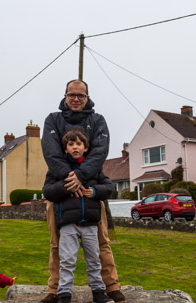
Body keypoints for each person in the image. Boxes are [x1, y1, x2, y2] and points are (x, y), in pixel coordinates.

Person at [41, 79, 125, 303]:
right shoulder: (53, 120)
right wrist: (72, 179)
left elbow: (100, 152)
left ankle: (110, 287)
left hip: (90, 193)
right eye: (71, 95)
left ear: (87, 97)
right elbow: (51, 154)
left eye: (81, 95)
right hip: (61, 194)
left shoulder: (97, 120)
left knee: (102, 244)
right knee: (57, 245)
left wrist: (81, 176)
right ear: (65, 96)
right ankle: (55, 290)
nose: (76, 99)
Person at [43, 128, 114, 303]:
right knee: (67, 260)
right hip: (68, 224)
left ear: (85, 148)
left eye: (79, 144)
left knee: (94, 260)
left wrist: (95, 191)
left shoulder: (94, 170)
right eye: (71, 144)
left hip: (89, 223)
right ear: (65, 149)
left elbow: (109, 187)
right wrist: (67, 186)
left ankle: (98, 292)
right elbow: (48, 191)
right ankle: (64, 294)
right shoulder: (56, 170)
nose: (75, 147)